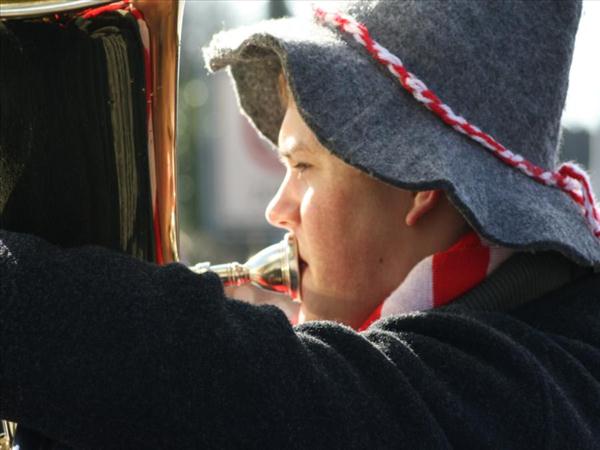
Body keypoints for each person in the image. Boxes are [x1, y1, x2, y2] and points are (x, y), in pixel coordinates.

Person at [1, 0, 599, 449]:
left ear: (416, 183)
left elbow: (261, 390)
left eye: (303, 166)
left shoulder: (530, 396)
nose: (277, 209)